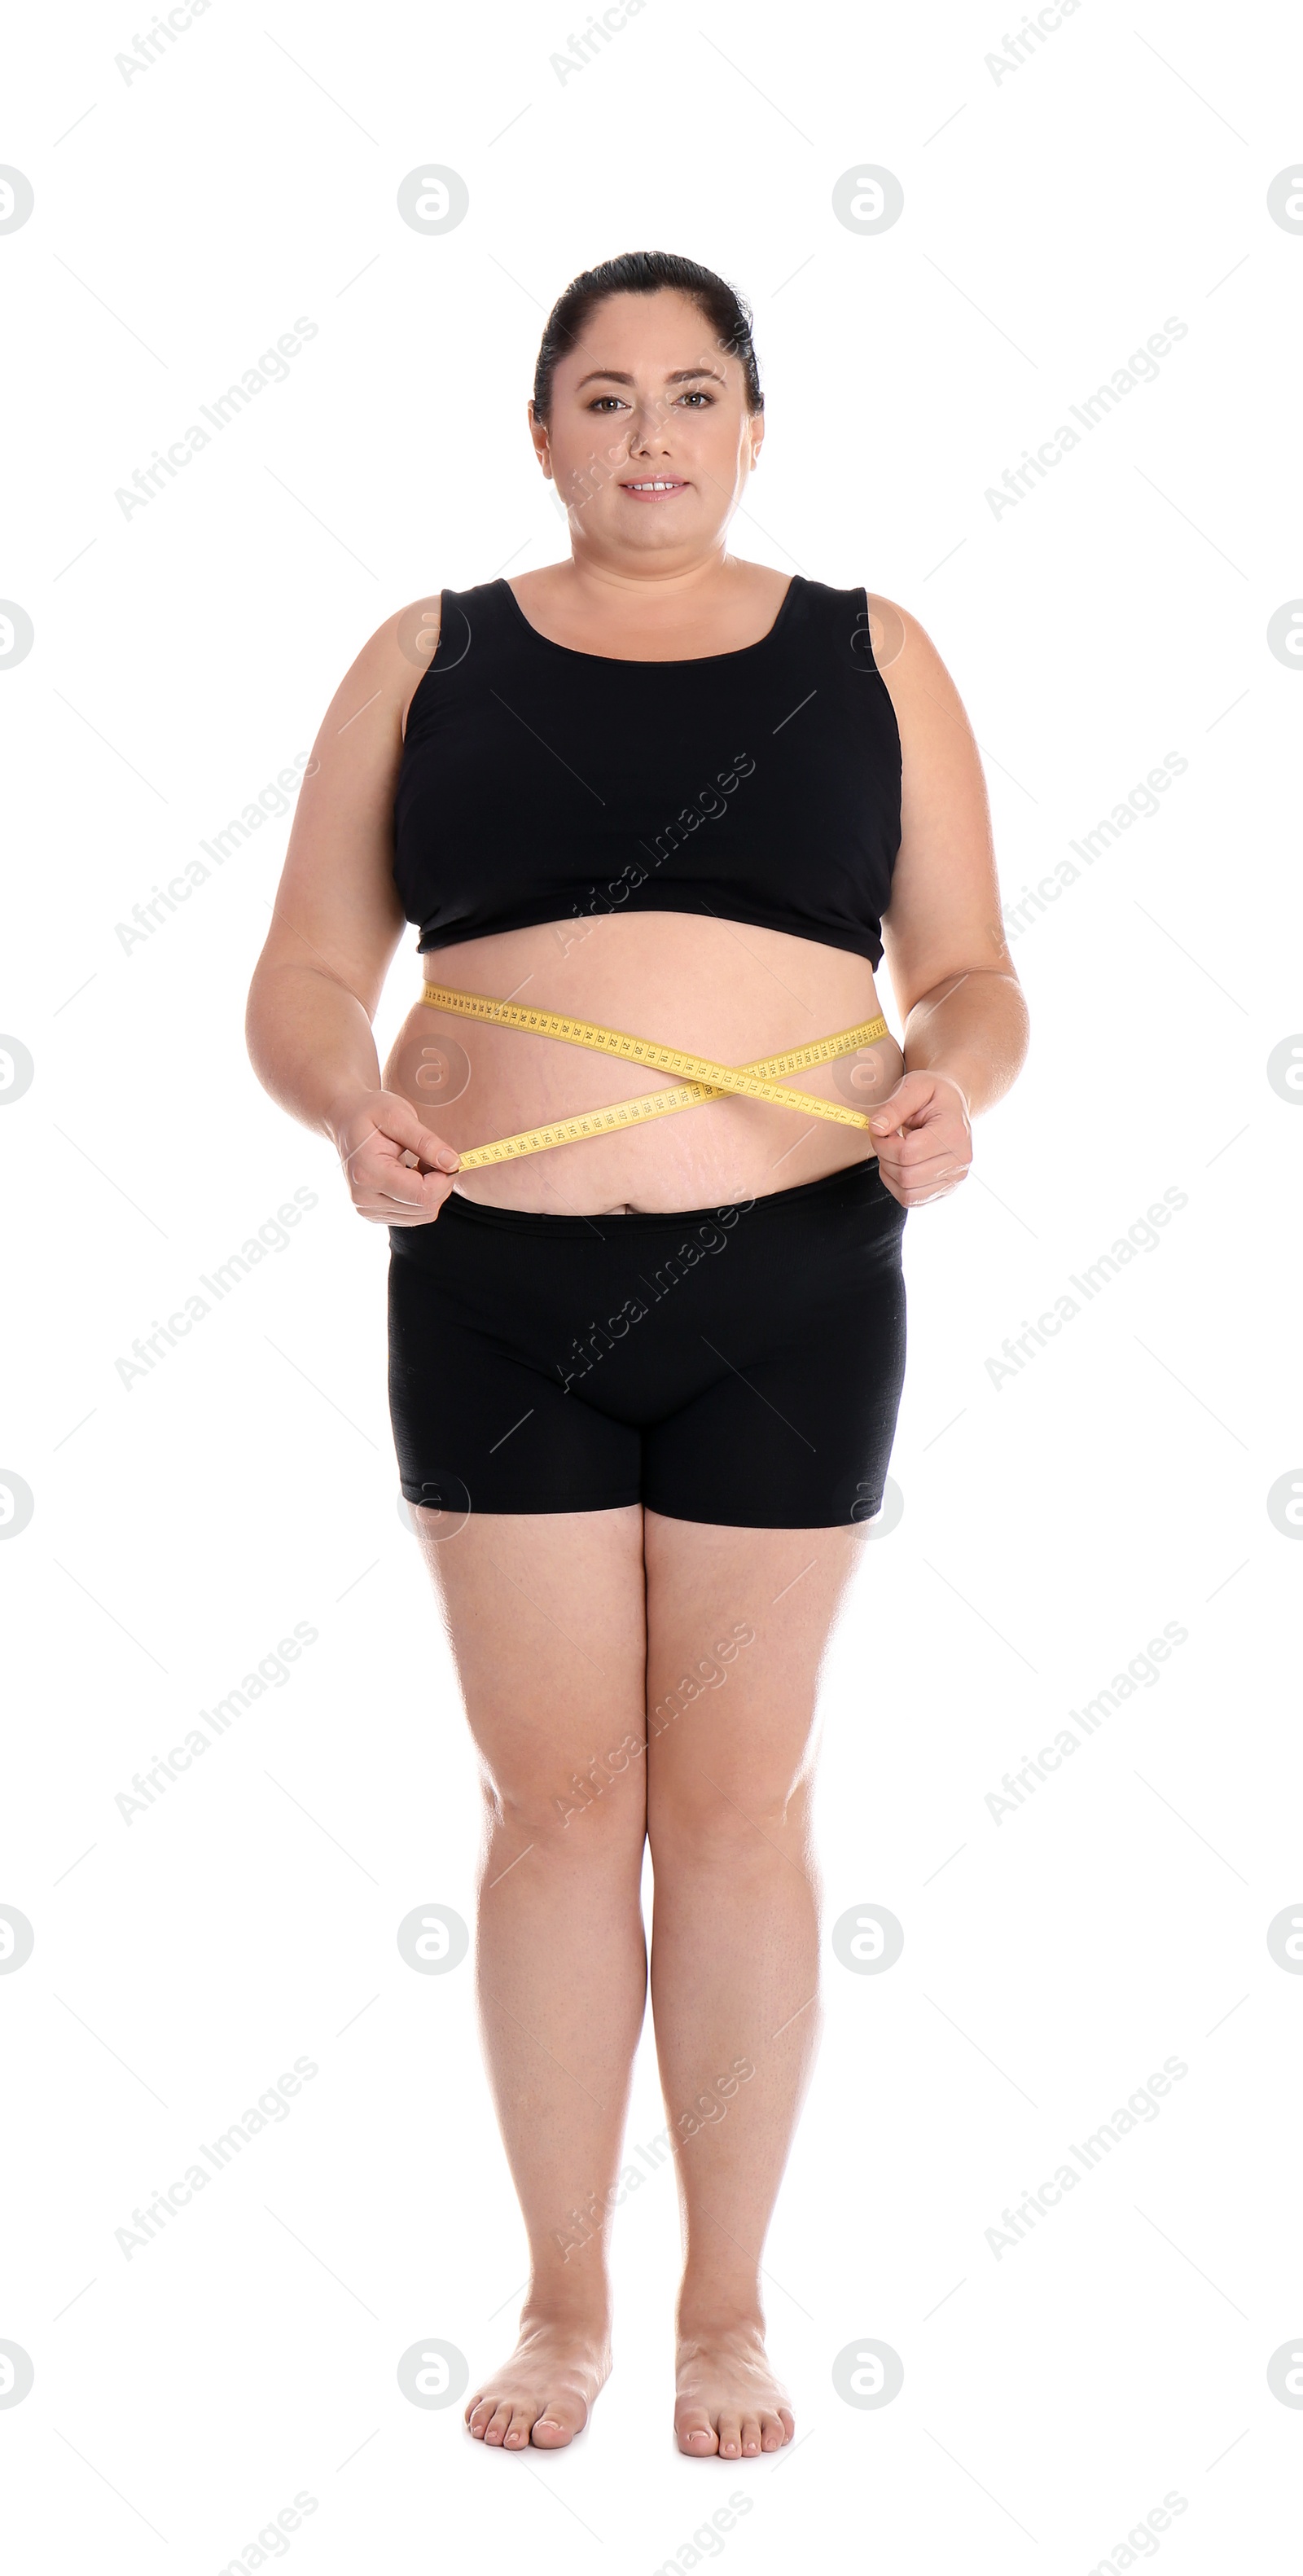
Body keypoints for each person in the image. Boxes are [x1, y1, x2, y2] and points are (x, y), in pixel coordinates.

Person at [245, 248, 1029, 2462]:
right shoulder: (430, 653)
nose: (652, 434)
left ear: (756, 424)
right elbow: (305, 971)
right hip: (498, 1282)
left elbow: (972, 970)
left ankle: (733, 2311)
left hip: (795, 1270)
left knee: (738, 1800)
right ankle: (565, 2295)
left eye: (694, 392)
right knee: (556, 1801)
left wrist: (953, 1083)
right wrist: (347, 1109)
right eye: (604, 397)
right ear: (542, 432)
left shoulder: (873, 650)